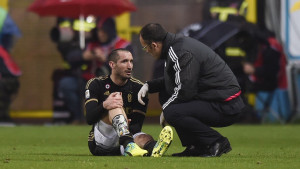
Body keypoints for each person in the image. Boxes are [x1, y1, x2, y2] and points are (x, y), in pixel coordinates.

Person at [138, 23, 245, 157]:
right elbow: (175, 81)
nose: (146, 51)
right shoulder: (173, 47)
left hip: (227, 105)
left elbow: (186, 89)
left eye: (145, 47)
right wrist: (150, 86)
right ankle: (196, 146)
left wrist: (167, 111)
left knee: (172, 111)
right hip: (218, 99)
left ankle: (216, 141)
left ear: (154, 45)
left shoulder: (180, 51)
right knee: (166, 95)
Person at [85, 48, 173, 157]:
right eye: (124, 61)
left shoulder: (139, 88)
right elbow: (89, 118)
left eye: (131, 61)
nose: (129, 66)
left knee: (144, 137)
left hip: (126, 137)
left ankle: (154, 149)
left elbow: (137, 127)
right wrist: (105, 105)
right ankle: (129, 144)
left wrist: (124, 123)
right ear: (112, 65)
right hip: (101, 142)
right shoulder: (96, 83)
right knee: (115, 102)